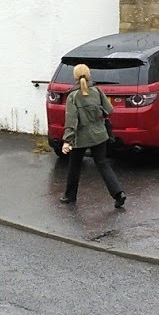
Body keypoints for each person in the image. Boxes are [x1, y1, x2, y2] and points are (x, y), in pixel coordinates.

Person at [60, 63, 126, 208]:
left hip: (81, 137)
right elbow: (109, 110)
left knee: (74, 166)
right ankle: (119, 193)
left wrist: (67, 141)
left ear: (75, 77)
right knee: (102, 164)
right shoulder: (97, 91)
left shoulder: (73, 96)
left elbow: (71, 120)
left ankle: (70, 196)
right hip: (100, 134)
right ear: (89, 75)